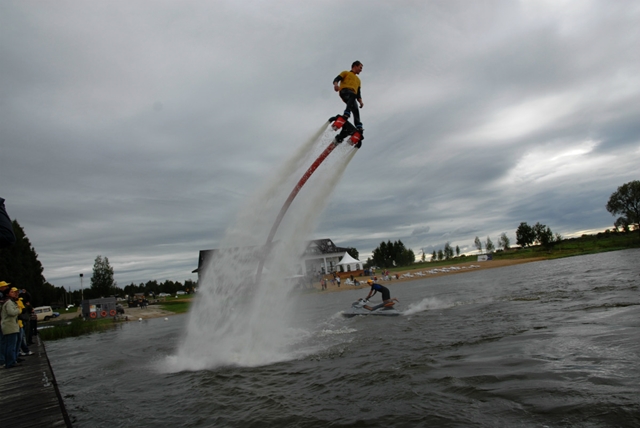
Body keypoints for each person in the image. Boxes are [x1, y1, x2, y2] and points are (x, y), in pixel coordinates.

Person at [333, 61, 364, 130]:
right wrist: (336, 85)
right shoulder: (346, 73)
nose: (361, 70)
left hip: (353, 96)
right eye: (360, 67)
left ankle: (358, 126)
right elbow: (336, 79)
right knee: (353, 95)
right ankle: (346, 113)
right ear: (355, 66)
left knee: (356, 109)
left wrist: (361, 102)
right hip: (345, 91)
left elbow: (358, 93)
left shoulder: (358, 80)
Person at [1, 287, 21, 368]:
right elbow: (11, 312)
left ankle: (9, 361)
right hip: (10, 326)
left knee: (8, 345)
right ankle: (11, 362)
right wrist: (18, 310)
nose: (14, 293)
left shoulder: (6, 301)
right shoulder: (9, 302)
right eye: (11, 292)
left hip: (8, 325)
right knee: (11, 345)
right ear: (7, 294)